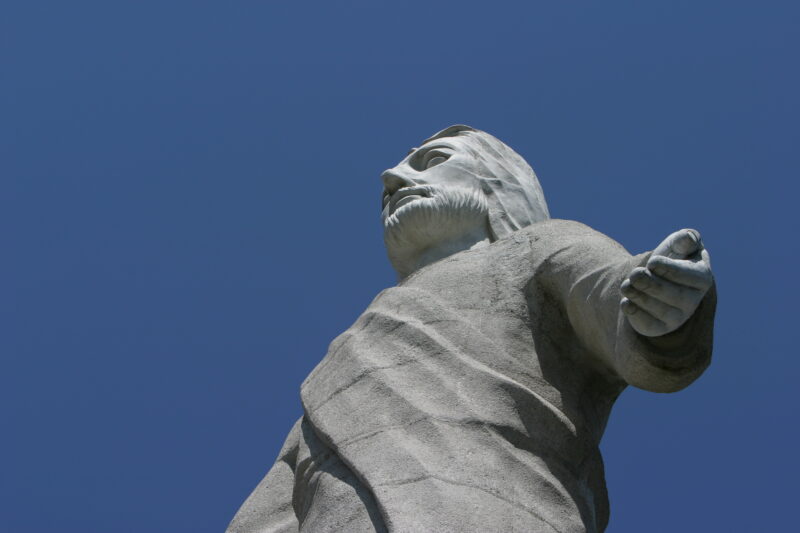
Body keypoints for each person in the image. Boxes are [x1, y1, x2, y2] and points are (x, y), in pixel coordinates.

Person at [227, 125, 716, 533]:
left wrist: (663, 303)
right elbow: (279, 495)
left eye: (432, 159)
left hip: (494, 504)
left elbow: (614, 293)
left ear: (496, 181)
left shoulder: (541, 246)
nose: (393, 177)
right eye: (390, 180)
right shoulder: (351, 344)